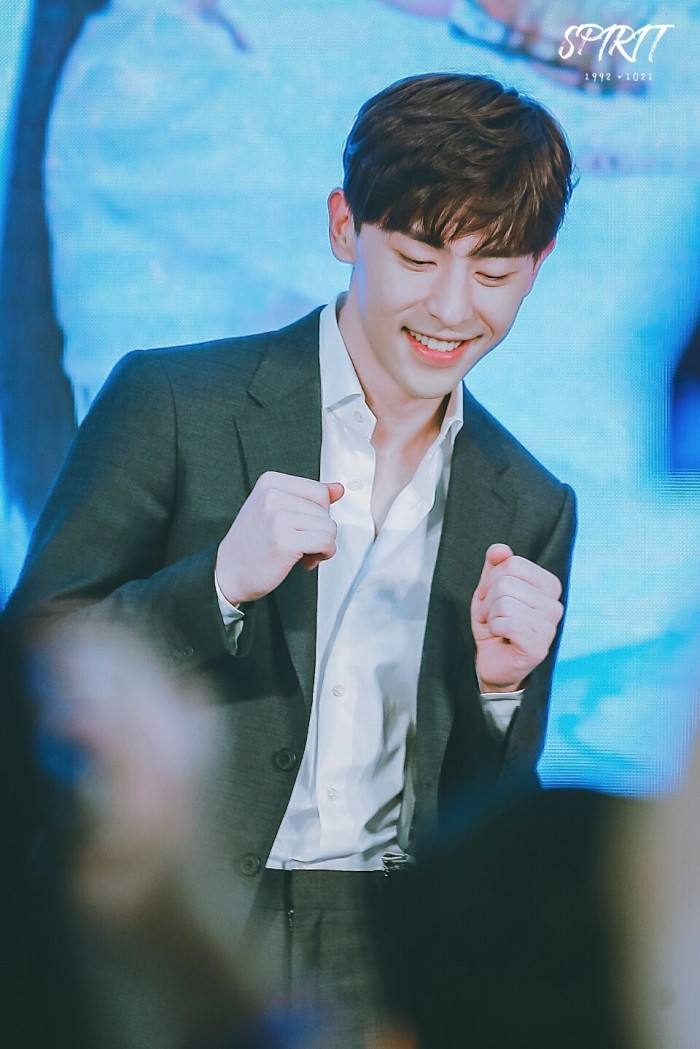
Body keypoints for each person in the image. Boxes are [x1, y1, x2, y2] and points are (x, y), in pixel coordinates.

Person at [6, 72, 578, 1047]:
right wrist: (217, 585)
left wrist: (498, 694)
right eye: (418, 257)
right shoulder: (172, 400)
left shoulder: (530, 500)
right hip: (167, 917)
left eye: (494, 272)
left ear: (538, 266)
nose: (451, 308)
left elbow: (488, 814)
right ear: (345, 226)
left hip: (385, 957)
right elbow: (34, 665)